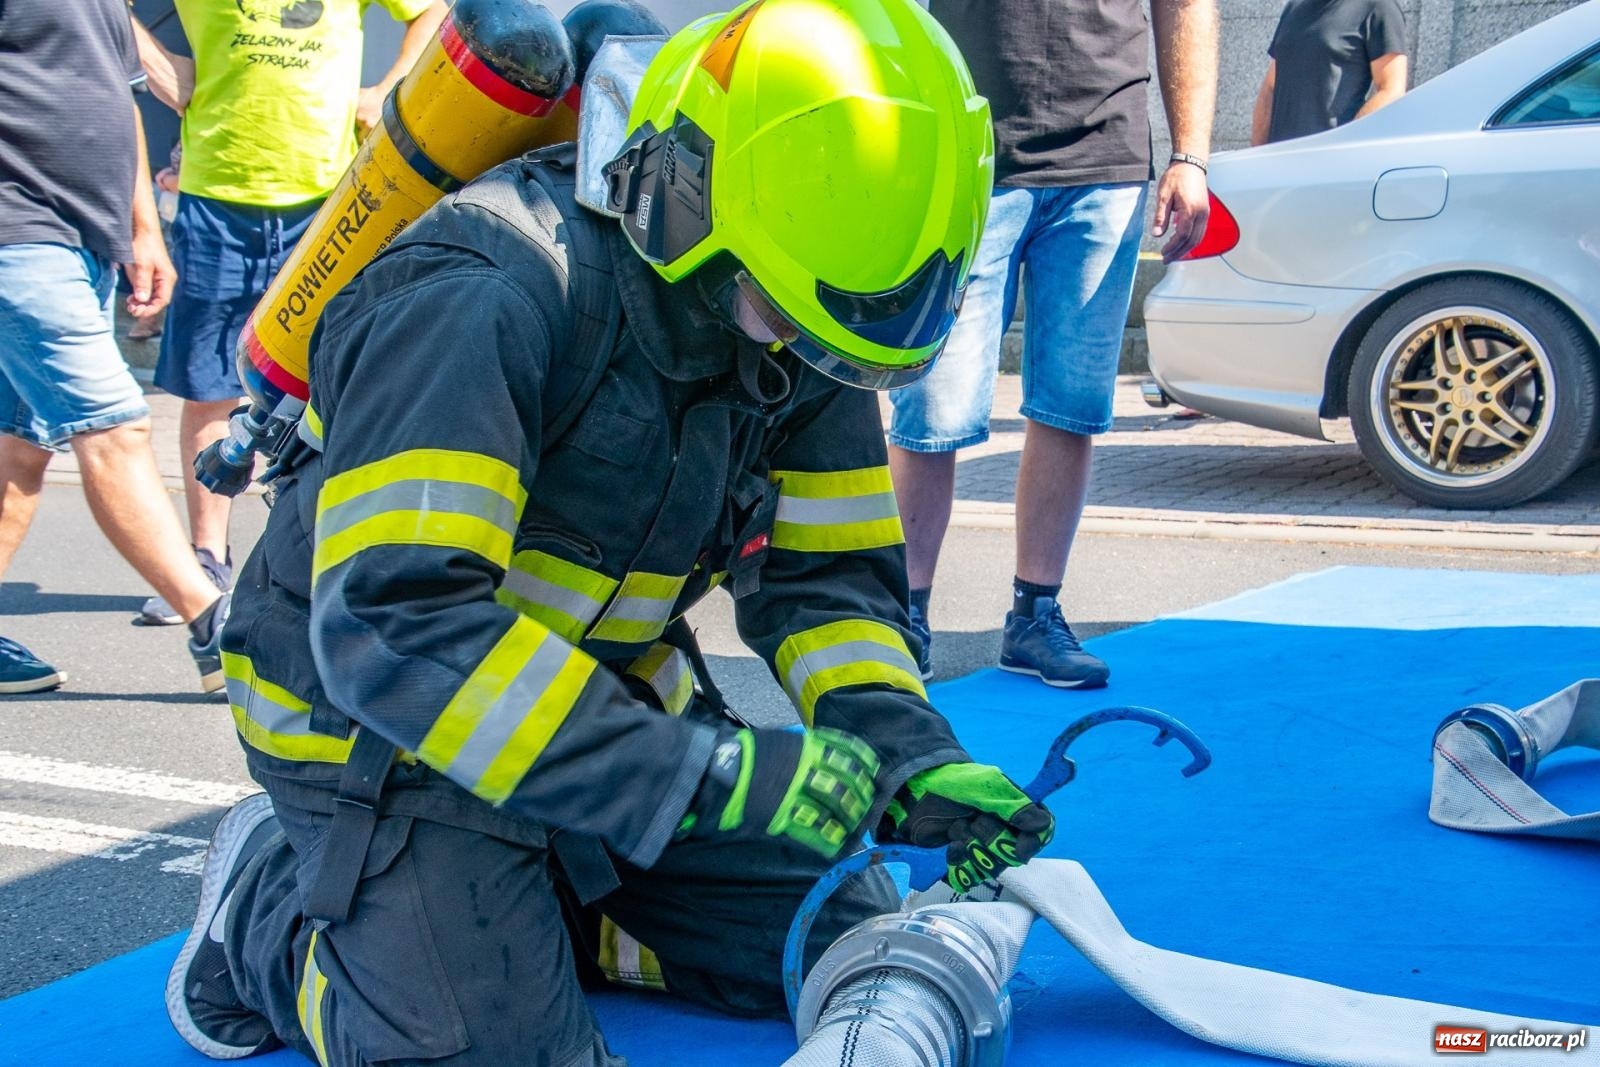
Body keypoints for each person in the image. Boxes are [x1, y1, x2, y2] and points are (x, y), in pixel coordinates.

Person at [164, 2, 1056, 1064]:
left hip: (598, 708)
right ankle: (264, 910)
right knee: (475, 1047)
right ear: (686, 201)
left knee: (855, 934)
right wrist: (693, 775)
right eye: (781, 314)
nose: (814, 359)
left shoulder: (811, 301)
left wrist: (908, 752)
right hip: (383, 729)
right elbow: (400, 630)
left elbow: (829, 588)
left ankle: (548, 902)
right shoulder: (481, 292)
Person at [886, 0, 1218, 688]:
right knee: (934, 409)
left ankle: (1034, 615)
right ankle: (900, 616)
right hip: (971, 148)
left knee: (1071, 404)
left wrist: (1191, 156)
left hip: (1107, 160)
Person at [129, 0, 448, 626]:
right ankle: (206, 559)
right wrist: (156, 65)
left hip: (329, 201)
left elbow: (434, 9)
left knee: (336, 381)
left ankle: (322, 554)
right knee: (213, 386)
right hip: (218, 194)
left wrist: (387, 88)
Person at [0, 0, 233, 695]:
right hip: (19, 228)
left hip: (80, 240)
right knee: (116, 424)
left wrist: (141, 230)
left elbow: (118, 92)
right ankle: (215, 626)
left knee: (19, 451)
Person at [1251, 0, 1408, 145]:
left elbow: (1391, 90)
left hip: (1332, 164)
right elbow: (1270, 86)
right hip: (1278, 162)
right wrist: (1257, 155)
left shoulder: (1379, 7)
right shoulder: (1294, 7)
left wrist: (1343, 145)